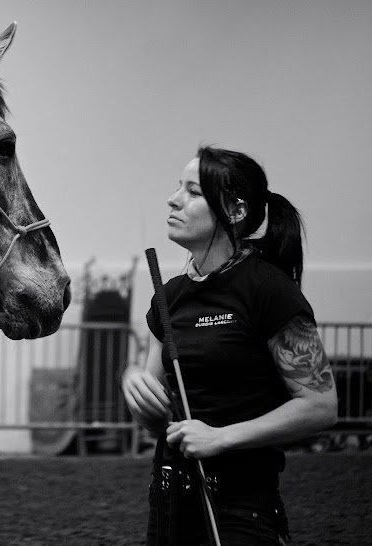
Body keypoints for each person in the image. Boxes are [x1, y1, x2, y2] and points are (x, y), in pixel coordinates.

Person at [122, 146, 338, 545]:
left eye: (193, 192)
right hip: (169, 503)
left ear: (235, 211)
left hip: (241, 509)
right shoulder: (168, 297)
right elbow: (159, 419)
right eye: (178, 187)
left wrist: (220, 438)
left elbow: (320, 405)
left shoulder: (269, 291)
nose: (173, 199)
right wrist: (137, 390)